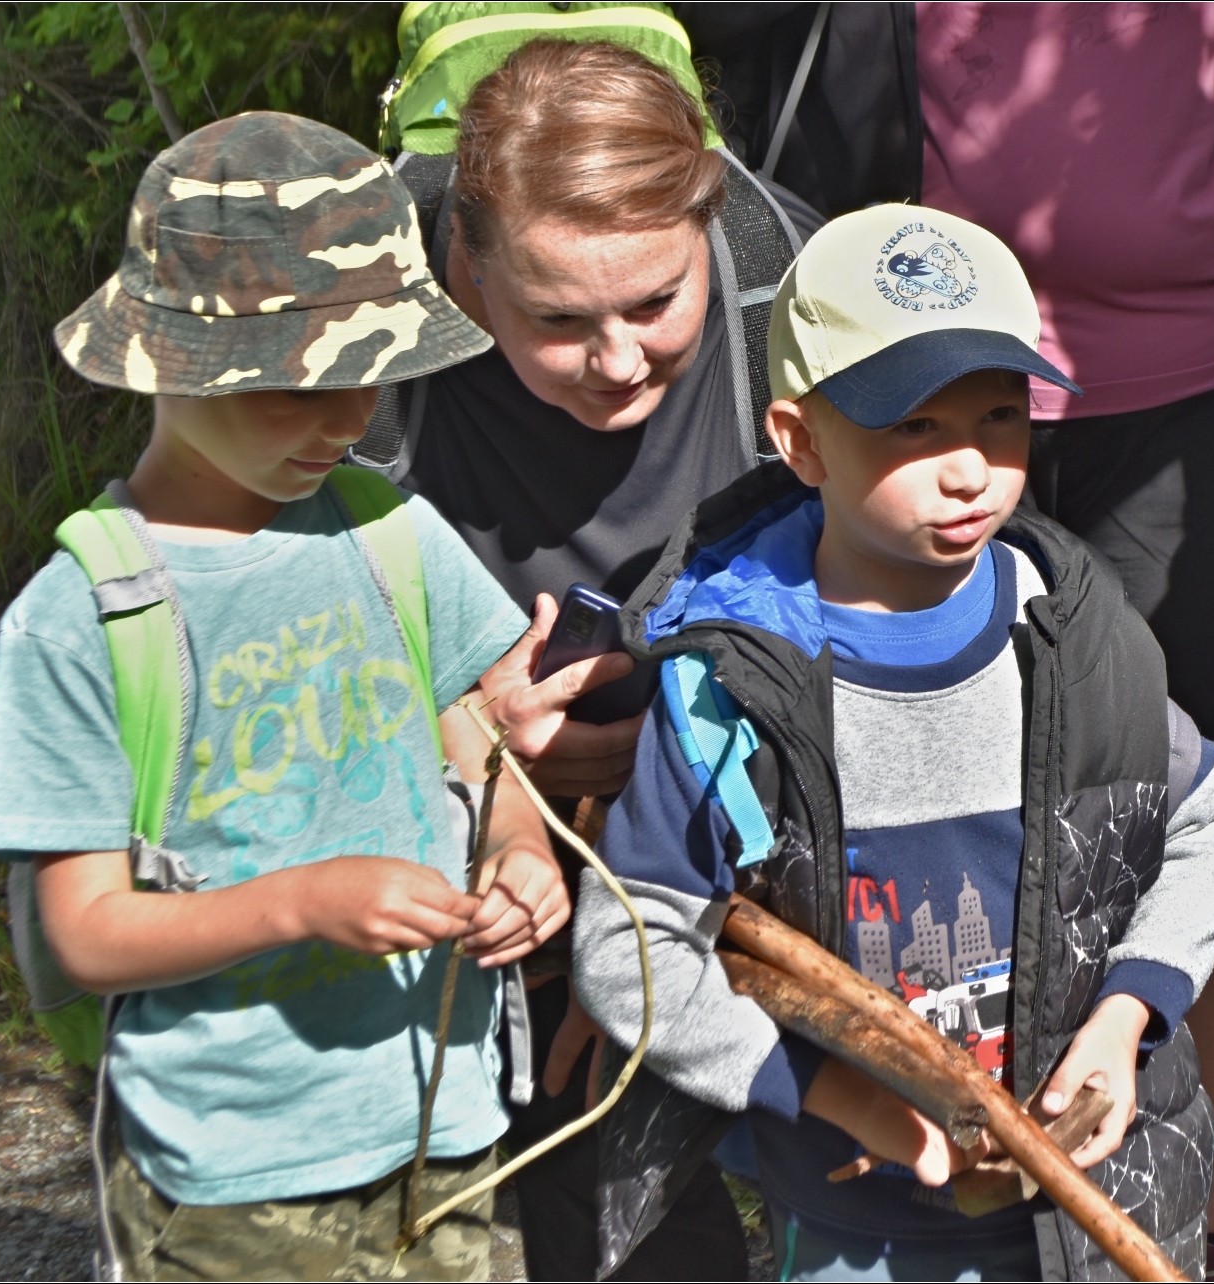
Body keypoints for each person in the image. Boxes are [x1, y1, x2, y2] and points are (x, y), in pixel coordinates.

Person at [676, 5, 1214, 1275]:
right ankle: (907, 1198)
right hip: (895, 385)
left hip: (1209, 389)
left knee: (1208, 793)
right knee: (892, 809)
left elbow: (1212, 821)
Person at [571, 203, 1214, 1281]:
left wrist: (1129, 1014)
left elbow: (1210, 818)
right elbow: (631, 944)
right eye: (915, 428)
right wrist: (834, 1093)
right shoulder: (736, 687)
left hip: (1104, 1197)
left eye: (999, 417)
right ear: (800, 441)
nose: (970, 469)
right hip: (859, 1227)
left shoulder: (1074, 641)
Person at [0, 112, 569, 1280]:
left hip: (440, 1124)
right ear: (168, 363)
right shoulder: (82, 614)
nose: (346, 422)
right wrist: (301, 903)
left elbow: (478, 751)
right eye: (297, 389)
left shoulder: (387, 531)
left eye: (367, 376)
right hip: (229, 1172)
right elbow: (86, 930)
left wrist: (521, 854)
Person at [372, 35, 824, 1281]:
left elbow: (914, 586)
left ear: (711, 226)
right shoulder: (362, 349)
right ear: (466, 269)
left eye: (655, 303)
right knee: (591, 1160)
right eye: (558, 320)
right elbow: (272, 650)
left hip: (764, 816)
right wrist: (480, 763)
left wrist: (671, 814)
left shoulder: (789, 292)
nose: (618, 361)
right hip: (483, 844)